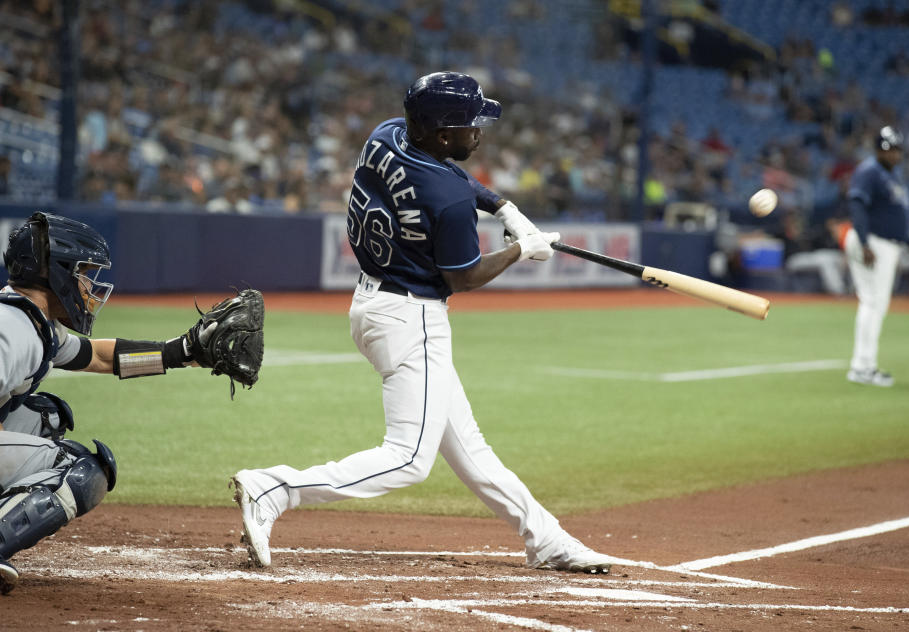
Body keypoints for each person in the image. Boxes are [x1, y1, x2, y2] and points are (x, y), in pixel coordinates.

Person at [231, 71, 616, 575]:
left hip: (373, 303)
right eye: (469, 125)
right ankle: (274, 488)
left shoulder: (387, 134)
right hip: (412, 318)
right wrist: (521, 248)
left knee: (470, 448)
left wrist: (504, 207)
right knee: (409, 458)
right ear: (440, 134)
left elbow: (451, 179)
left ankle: (547, 539)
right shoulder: (449, 204)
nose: (478, 131)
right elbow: (463, 276)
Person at [0, 212, 230, 594]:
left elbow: (99, 357)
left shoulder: (31, 322)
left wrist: (183, 352)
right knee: (78, 469)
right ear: (55, 272)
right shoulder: (15, 331)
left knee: (46, 417)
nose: (89, 285)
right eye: (82, 272)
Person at [842, 127, 909, 387]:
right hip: (872, 241)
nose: (894, 154)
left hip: (882, 243)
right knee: (872, 302)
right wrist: (863, 242)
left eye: (896, 149)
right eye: (888, 149)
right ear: (878, 149)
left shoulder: (891, 175)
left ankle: (863, 365)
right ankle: (862, 367)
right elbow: (857, 204)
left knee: (875, 303)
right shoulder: (870, 171)